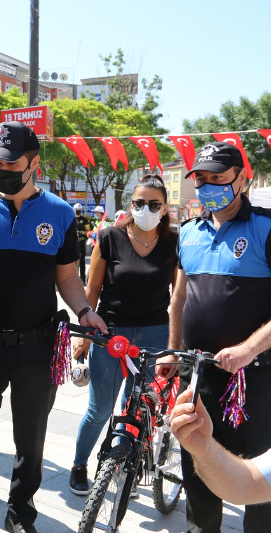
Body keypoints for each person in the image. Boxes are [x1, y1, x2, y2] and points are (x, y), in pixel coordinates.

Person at [0, 121, 108, 533]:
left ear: (35, 162)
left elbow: (67, 276)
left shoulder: (61, 213)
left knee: (31, 440)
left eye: (9, 160)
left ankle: (21, 512)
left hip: (38, 347)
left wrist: (85, 310)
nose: (0, 168)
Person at [155, 141, 271, 533]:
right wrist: (172, 351)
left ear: (242, 177)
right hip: (197, 376)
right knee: (198, 469)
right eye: (200, 179)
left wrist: (247, 348)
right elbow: (179, 298)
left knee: (257, 481)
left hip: (252, 382)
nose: (207, 186)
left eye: (217, 178)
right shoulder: (188, 233)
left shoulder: (267, 229)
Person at [68, 175, 177, 496]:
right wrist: (85, 333)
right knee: (100, 409)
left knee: (138, 407)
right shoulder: (109, 238)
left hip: (155, 335)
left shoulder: (173, 242)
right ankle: (79, 464)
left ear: (165, 208)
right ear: (130, 205)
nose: (146, 209)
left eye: (154, 204)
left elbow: (179, 295)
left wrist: (174, 345)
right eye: (139, 203)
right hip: (110, 334)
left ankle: (122, 465)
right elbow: (92, 290)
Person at [171, 387, 271, 505]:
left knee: (259, 518)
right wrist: (205, 450)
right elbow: (249, 484)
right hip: (207, 385)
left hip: (254, 387)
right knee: (200, 500)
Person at [73, 203, 91, 280]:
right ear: (74, 210)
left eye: (79, 210)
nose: (78, 212)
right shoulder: (71, 218)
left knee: (82, 260)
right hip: (73, 242)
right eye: (77, 210)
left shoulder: (84, 220)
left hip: (81, 241)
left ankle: (82, 278)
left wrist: (81, 232)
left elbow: (88, 231)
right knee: (72, 260)